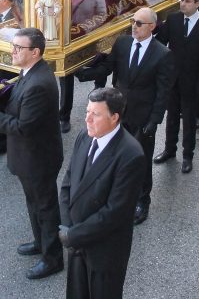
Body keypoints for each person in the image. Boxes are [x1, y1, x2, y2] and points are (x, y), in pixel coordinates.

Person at [75, 7, 174, 225]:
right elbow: (108, 68)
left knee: (141, 158)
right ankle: (114, 194)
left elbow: (163, 91)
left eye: (139, 23)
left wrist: (154, 121)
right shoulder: (123, 43)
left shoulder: (162, 54)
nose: (134, 27)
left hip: (142, 115)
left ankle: (142, 200)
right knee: (112, 154)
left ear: (152, 27)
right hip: (117, 113)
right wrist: (84, 73)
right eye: (132, 21)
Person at [0, 28, 65, 280]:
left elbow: (22, 127)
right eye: (13, 46)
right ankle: (40, 242)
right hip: (29, 156)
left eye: (18, 47)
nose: (13, 51)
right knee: (34, 203)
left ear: (35, 52)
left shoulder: (39, 83)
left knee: (45, 206)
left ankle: (53, 258)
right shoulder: (29, 72)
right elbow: (17, 104)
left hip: (38, 157)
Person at [58, 88, 145, 299]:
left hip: (104, 251)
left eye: (95, 114)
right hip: (77, 242)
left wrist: (73, 235)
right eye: (87, 111)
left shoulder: (131, 155)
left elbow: (114, 212)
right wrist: (67, 224)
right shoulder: (84, 136)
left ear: (114, 117)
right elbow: (68, 183)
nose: (87, 119)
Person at [153, 0, 199, 173]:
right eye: (182, 0)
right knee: (171, 116)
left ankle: (188, 155)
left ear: (198, 3)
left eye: (188, 1)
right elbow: (160, 44)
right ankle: (169, 149)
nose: (183, 4)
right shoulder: (173, 20)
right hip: (172, 80)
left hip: (193, 83)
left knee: (189, 120)